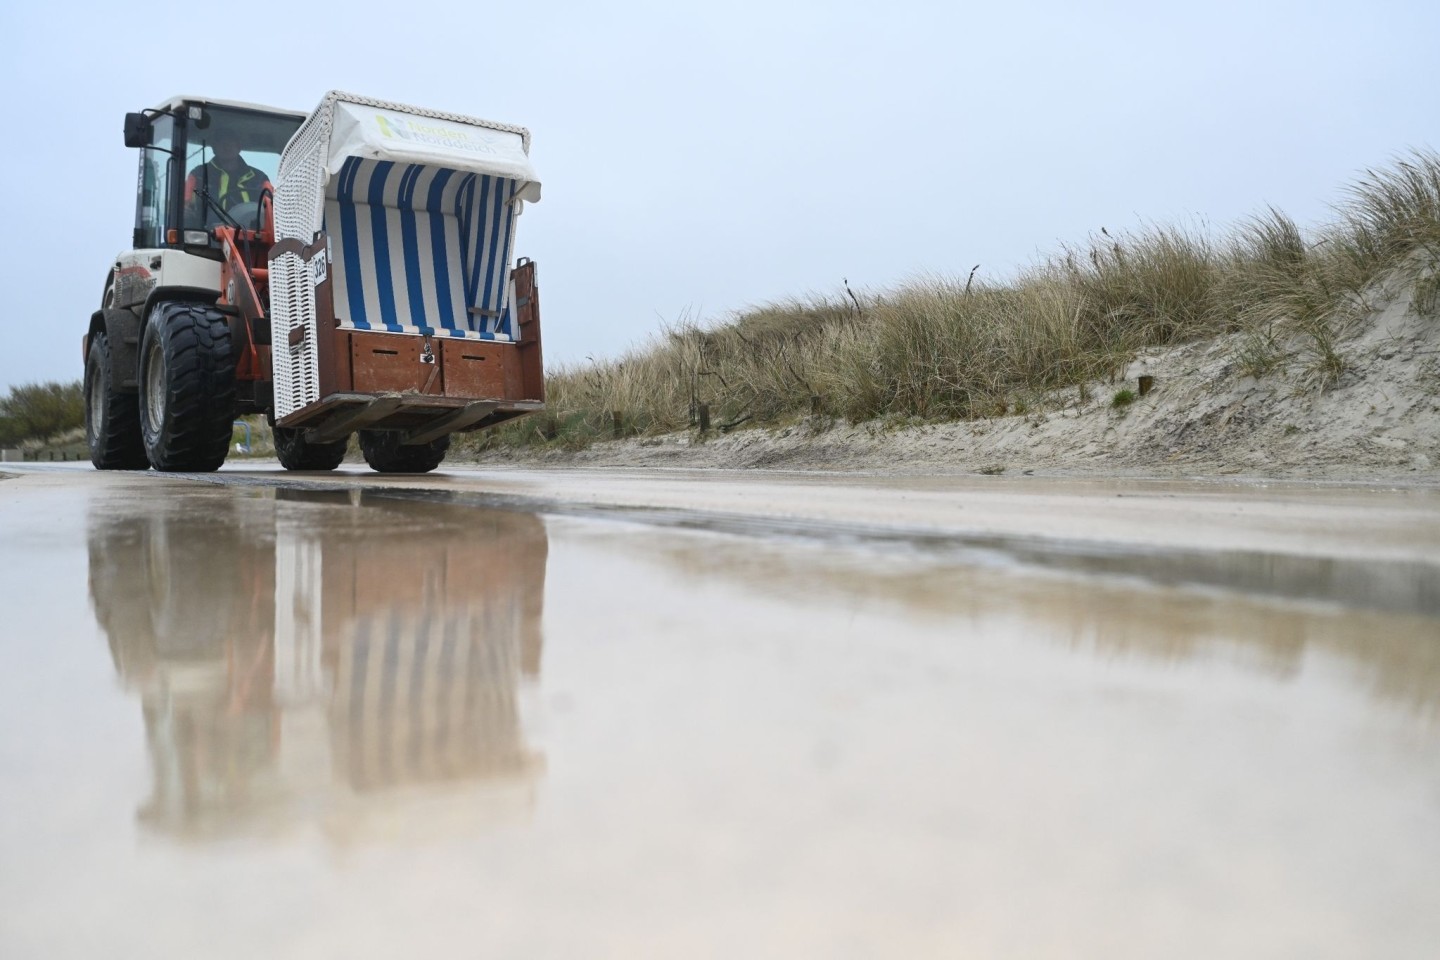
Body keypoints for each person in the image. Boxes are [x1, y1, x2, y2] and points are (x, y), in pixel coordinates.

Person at [184, 129, 271, 227]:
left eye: (231, 143)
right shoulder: (198, 175)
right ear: (214, 148)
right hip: (210, 237)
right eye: (222, 143)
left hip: (253, 236)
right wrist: (186, 211)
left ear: (239, 147)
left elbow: (272, 209)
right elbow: (185, 206)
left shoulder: (259, 178)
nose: (227, 147)